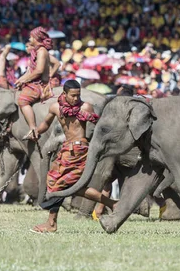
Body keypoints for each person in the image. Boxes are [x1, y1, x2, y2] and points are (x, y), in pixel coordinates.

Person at [31, 80, 116, 233]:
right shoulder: (55, 107)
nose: (76, 99)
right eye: (73, 96)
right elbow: (45, 123)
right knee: (75, 187)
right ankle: (112, 204)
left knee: (57, 183)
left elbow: (98, 127)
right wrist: (36, 131)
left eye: (78, 95)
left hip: (79, 149)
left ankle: (51, 224)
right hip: (66, 149)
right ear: (64, 93)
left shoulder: (85, 107)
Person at [15, 27, 53, 140]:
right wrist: (20, 80)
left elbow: (39, 71)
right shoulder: (36, 51)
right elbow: (30, 71)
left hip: (39, 84)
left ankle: (33, 129)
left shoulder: (41, 51)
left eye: (31, 36)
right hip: (33, 81)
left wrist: (24, 80)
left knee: (22, 101)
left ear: (36, 38)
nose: (29, 38)